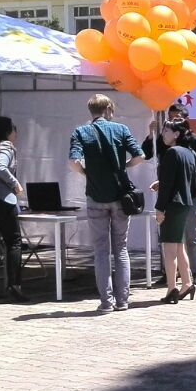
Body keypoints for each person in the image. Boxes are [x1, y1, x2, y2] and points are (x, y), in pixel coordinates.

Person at [69, 94, 145, 313]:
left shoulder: (80, 132)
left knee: (101, 250)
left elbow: (73, 161)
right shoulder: (121, 129)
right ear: (109, 109)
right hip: (121, 197)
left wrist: (87, 173)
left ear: (91, 111)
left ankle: (106, 302)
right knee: (121, 248)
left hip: (95, 196)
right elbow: (140, 156)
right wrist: (124, 166)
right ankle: (123, 300)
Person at [143, 104, 196, 284]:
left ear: (184, 120)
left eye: (176, 118)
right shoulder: (165, 140)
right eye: (170, 118)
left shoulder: (195, 142)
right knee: (171, 238)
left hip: (189, 193)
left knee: (190, 234)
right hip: (170, 194)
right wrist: (151, 136)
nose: (172, 122)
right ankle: (172, 274)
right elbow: (146, 154)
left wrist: (186, 180)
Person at [150, 118, 196, 304]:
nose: (163, 134)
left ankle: (172, 288)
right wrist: (162, 182)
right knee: (179, 246)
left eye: (166, 131)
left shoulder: (172, 152)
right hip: (185, 203)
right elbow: (185, 180)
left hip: (172, 203)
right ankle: (187, 283)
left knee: (169, 248)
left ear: (177, 134)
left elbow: (169, 185)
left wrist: (159, 208)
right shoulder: (191, 153)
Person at [0, 116, 27, 302]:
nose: (16, 132)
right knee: (14, 242)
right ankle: (14, 285)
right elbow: (0, 167)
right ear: (7, 131)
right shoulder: (6, 147)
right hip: (3, 199)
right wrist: (15, 184)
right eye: (14, 128)